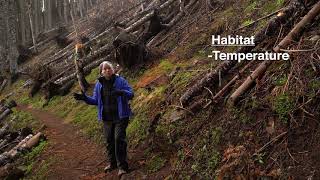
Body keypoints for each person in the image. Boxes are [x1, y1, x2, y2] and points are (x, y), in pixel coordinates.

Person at [73, 61, 134, 177]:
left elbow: (131, 94)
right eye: (104, 69)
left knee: (118, 139)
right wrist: (85, 98)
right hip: (107, 118)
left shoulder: (120, 81)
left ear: (113, 70)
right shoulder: (99, 84)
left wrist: (122, 92)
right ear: (101, 72)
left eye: (109, 68)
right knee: (109, 141)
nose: (107, 70)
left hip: (121, 116)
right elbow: (96, 101)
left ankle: (122, 167)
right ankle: (113, 163)